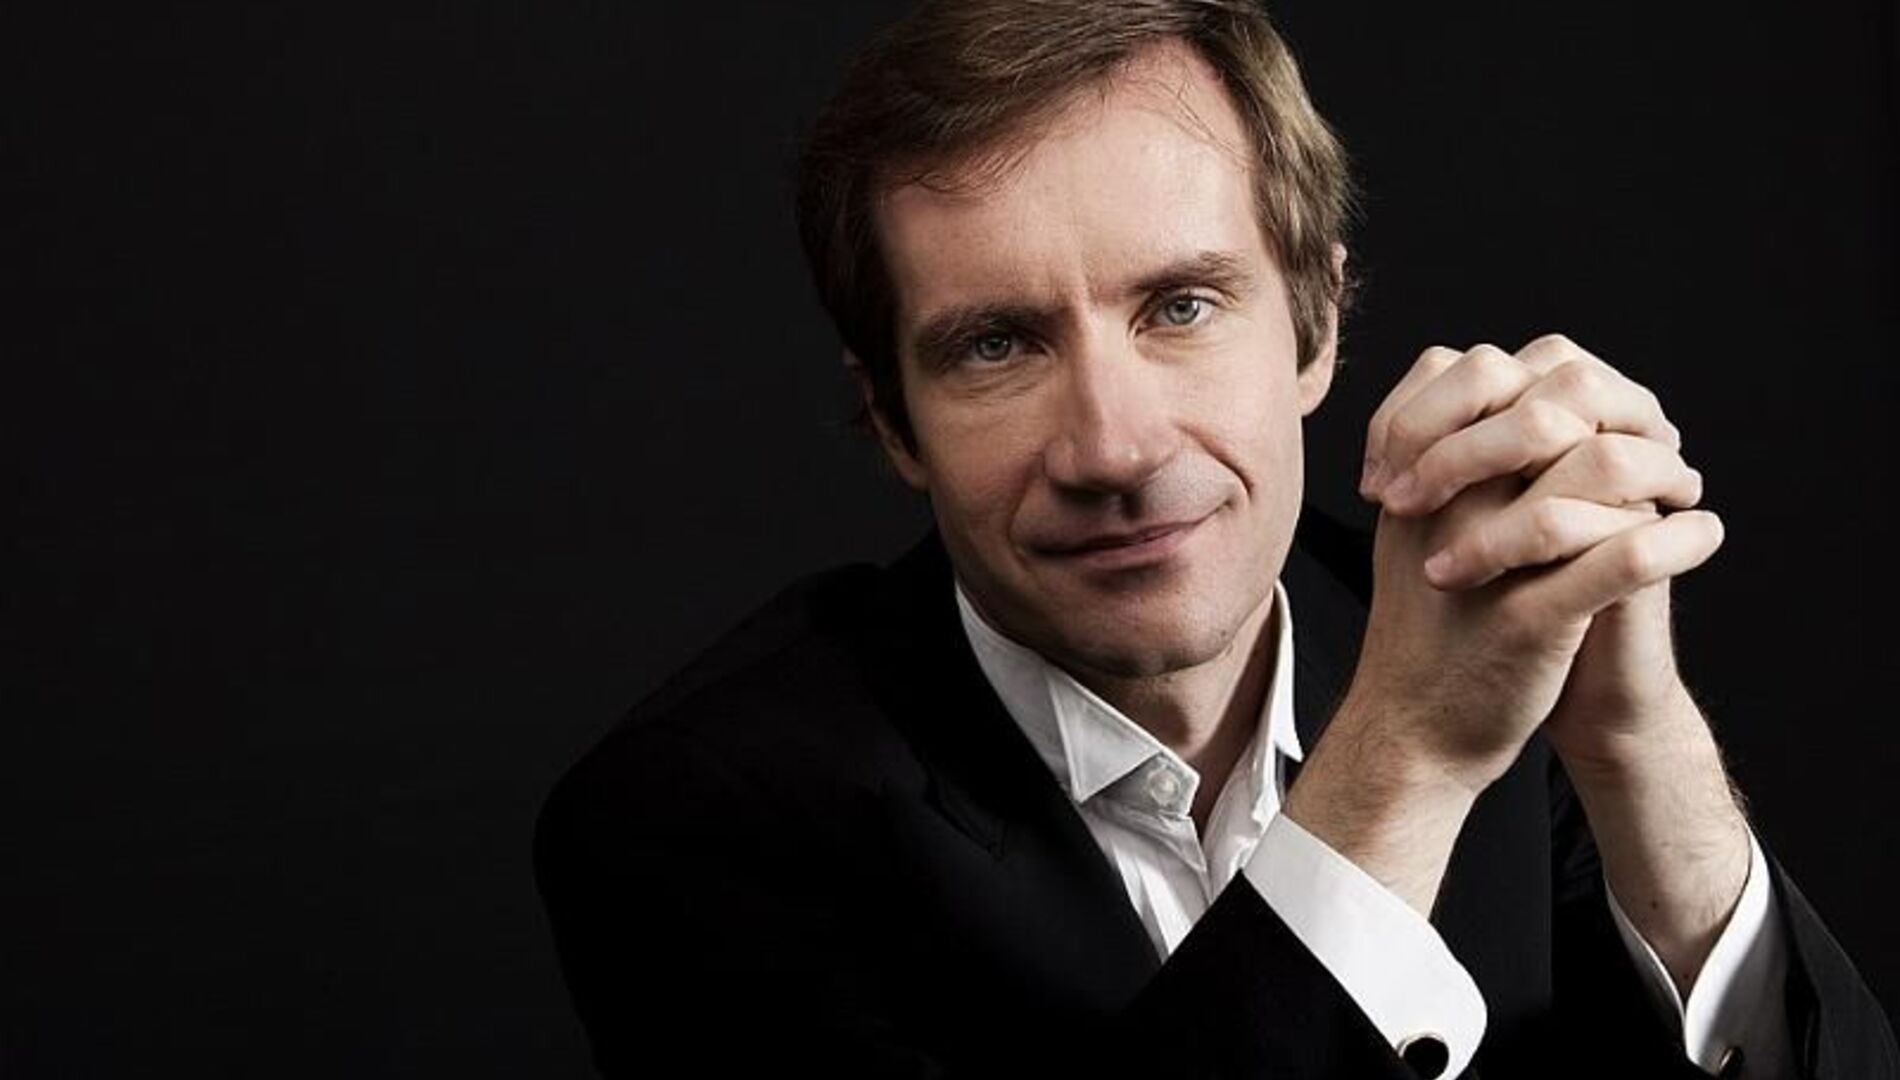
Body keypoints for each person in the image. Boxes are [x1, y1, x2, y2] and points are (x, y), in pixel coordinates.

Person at [533, 2, 1897, 1076]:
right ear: (892, 421)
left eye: (1180, 307)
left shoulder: (1484, 654)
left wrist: (1640, 744)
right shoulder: (686, 828)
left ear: (1315, 329)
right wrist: (1401, 765)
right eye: (997, 345)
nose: (1114, 449)